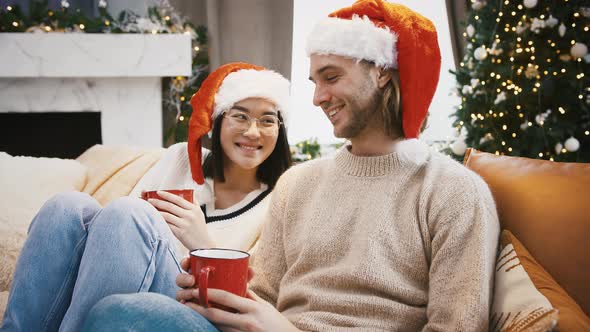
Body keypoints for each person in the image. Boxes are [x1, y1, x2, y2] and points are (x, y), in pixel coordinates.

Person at [82, 1, 500, 331]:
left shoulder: (454, 192)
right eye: (314, 82)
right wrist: (214, 291)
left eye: (331, 77)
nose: (318, 97)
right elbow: (259, 293)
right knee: (119, 308)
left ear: (383, 74)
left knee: (119, 316)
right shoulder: (299, 183)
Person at [0, 62, 292, 332]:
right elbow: (121, 234)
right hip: (136, 277)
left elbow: (249, 299)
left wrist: (200, 242)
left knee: (130, 214)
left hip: (199, 309)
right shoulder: (179, 158)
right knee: (66, 206)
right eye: (240, 116)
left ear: (280, 130)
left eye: (267, 121)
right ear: (216, 121)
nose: (253, 132)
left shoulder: (280, 201)